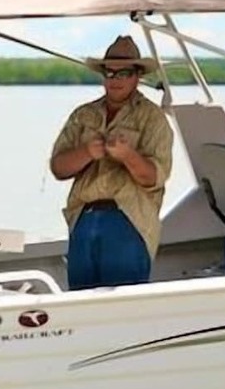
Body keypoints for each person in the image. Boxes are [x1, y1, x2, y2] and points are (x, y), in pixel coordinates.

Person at [49, 35, 173, 290]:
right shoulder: (83, 114)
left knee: (124, 307)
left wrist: (128, 156)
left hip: (129, 220)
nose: (114, 80)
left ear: (137, 76)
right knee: (80, 302)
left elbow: (153, 178)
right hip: (83, 218)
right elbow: (58, 168)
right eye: (109, 72)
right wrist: (87, 152)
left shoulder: (153, 118)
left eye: (123, 73)